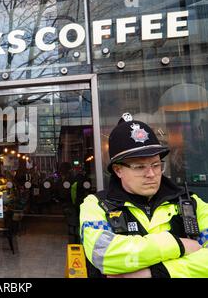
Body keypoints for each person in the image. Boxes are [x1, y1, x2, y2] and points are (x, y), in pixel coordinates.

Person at [80, 113, 208, 278]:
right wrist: (178, 245)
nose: (151, 174)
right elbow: (104, 253)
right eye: (140, 167)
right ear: (118, 170)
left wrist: (155, 273)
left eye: (156, 165)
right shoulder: (96, 205)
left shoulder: (190, 203)